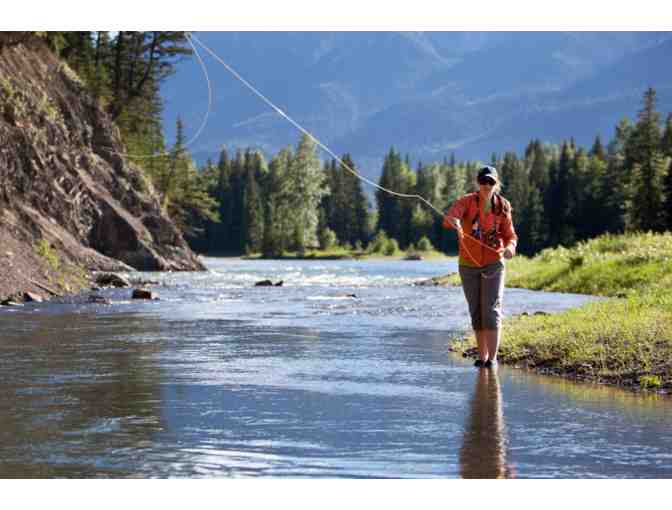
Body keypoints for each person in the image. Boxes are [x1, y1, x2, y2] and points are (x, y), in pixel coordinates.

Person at [443, 165, 518, 368]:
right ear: (478, 183)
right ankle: (482, 357)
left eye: (491, 182)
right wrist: (455, 222)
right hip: (468, 264)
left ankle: (492, 359)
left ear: (496, 184)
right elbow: (450, 217)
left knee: (491, 310)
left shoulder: (503, 205)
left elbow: (510, 235)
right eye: (483, 182)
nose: (487, 185)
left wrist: (511, 247)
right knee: (476, 311)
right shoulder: (466, 202)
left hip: (494, 262)